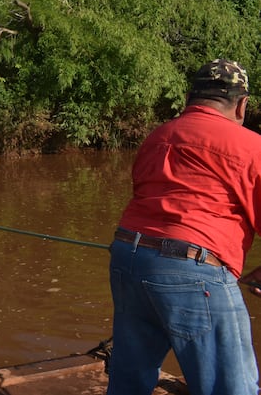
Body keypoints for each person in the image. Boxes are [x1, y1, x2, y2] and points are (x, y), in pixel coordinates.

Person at [107, 58, 261, 395]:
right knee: (230, 388)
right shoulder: (250, 146)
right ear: (242, 104)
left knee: (128, 380)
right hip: (194, 270)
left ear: (191, 98)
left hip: (127, 257)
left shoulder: (158, 136)